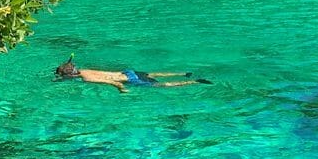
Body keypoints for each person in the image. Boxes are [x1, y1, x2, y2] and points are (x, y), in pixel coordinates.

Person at [53, 56, 212, 93]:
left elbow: (110, 82)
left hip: (130, 80)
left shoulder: (87, 78)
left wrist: (122, 90)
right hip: (128, 72)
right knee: (154, 74)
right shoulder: (85, 70)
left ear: (70, 76)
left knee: (164, 85)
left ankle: (195, 81)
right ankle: (184, 73)